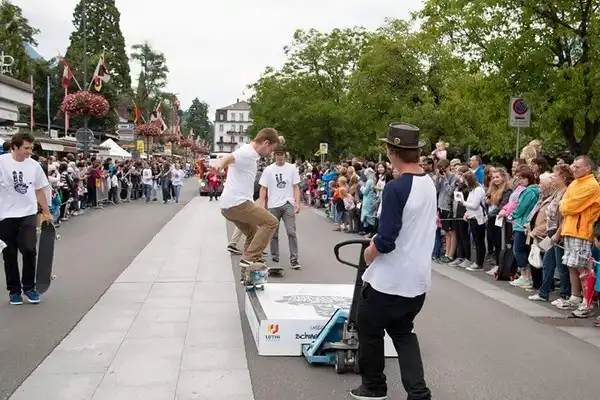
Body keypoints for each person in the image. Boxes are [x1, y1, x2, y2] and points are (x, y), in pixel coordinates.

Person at [352, 123, 434, 400]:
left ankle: (373, 386)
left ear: (392, 151)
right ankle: (418, 392)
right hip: (417, 279)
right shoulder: (428, 182)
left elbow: (387, 239)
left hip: (389, 279)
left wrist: (369, 253)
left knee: (368, 328)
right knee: (403, 332)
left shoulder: (396, 187)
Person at [214, 128, 281, 273]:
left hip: (227, 206)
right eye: (271, 149)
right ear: (265, 142)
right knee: (271, 222)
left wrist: (278, 138)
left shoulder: (252, 150)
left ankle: (247, 273)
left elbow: (270, 140)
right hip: (237, 203)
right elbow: (229, 157)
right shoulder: (246, 153)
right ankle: (250, 259)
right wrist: (219, 164)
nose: (271, 153)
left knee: (252, 232)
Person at [0, 133, 51, 305]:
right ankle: (14, 291)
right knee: (9, 254)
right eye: (26, 148)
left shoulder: (34, 166)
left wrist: (46, 211)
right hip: (5, 215)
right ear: (14, 147)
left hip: (27, 213)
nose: (29, 152)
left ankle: (29, 287)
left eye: (31, 148)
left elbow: (39, 190)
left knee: (29, 250)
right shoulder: (2, 163)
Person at [259, 142, 302, 269]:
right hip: (273, 204)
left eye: (282, 155)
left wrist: (297, 203)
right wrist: (262, 204)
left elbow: (296, 187)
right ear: (274, 156)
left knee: (291, 232)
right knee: (273, 233)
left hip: (288, 203)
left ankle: (294, 259)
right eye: (277, 155)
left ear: (285, 156)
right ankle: (275, 257)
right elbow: (263, 188)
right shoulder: (269, 169)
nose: (280, 157)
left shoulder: (291, 168)